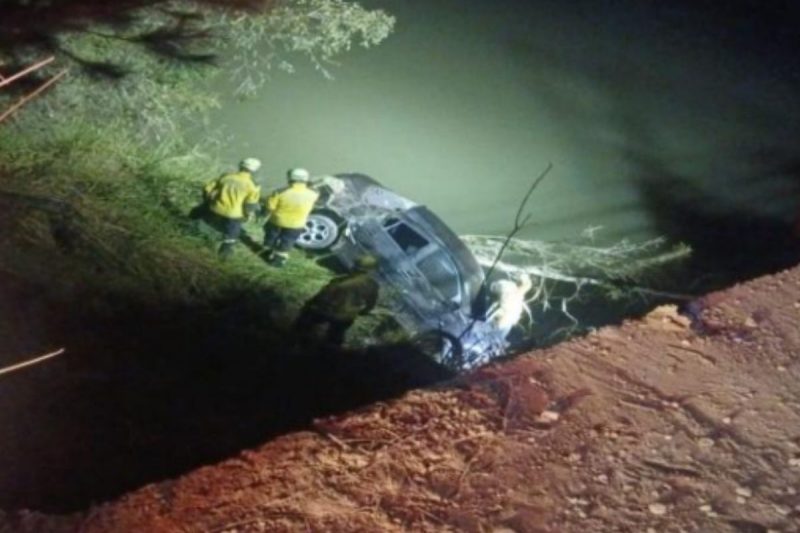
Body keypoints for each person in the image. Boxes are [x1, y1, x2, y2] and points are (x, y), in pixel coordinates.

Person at [293, 255, 381, 346]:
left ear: (355, 267)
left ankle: (295, 341)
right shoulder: (372, 285)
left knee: (302, 323)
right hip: (346, 317)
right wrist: (363, 311)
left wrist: (309, 304)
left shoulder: (339, 282)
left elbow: (323, 297)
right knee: (335, 336)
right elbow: (371, 303)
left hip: (327, 311)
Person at [195, 158, 262, 259]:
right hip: (234, 214)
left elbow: (207, 189)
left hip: (216, 208)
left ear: (240, 165)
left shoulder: (226, 176)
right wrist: (249, 215)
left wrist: (208, 201)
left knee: (201, 216)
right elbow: (250, 204)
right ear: (255, 170)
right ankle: (225, 251)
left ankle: (194, 232)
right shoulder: (254, 185)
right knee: (233, 232)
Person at [261, 167, 319, 267]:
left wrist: (263, 214)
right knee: (288, 241)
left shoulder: (280, 191)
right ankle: (278, 260)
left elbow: (270, 206)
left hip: (277, 221)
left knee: (270, 234)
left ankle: (268, 250)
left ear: (290, 178)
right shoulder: (314, 193)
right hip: (297, 224)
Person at [486, 273, 533, 338]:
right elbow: (493, 287)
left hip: (502, 321)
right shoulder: (507, 287)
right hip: (499, 319)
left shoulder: (510, 290)